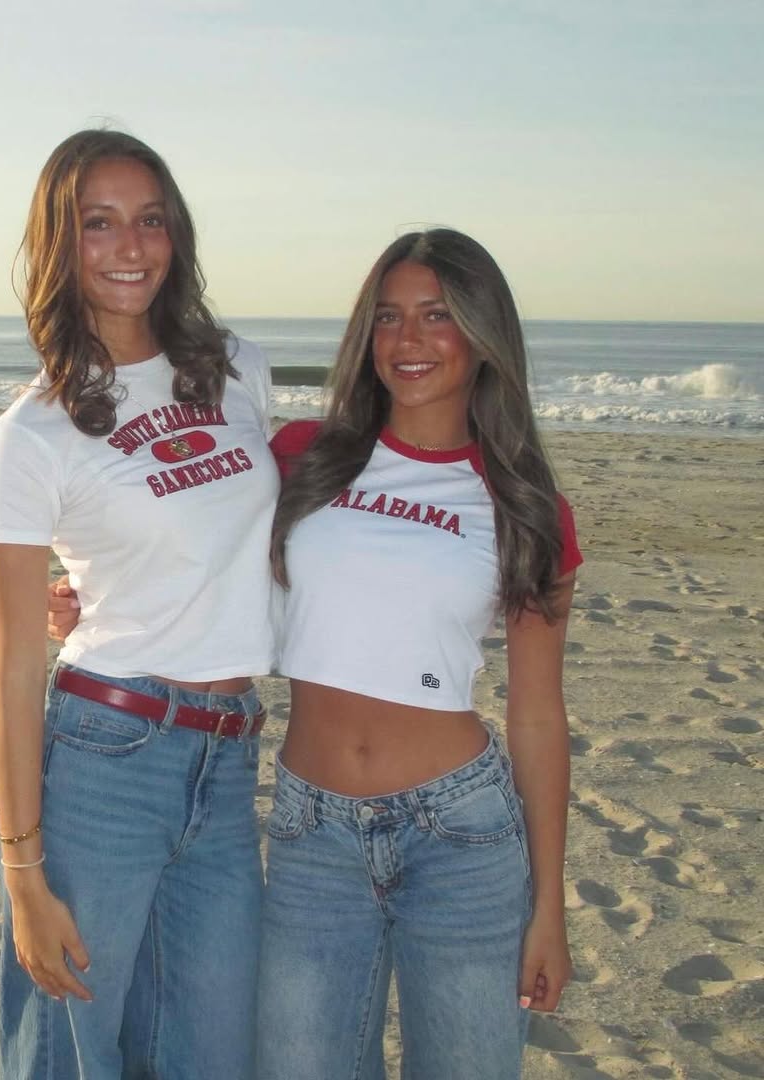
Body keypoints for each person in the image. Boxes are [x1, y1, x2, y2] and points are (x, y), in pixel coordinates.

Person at [0, 129, 278, 1080]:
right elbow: (15, 671)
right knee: (69, 1054)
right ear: (60, 244)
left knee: (211, 1053)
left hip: (229, 758)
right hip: (107, 757)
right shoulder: (31, 433)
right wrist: (23, 879)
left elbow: (241, 541)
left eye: (150, 220)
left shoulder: (239, 368)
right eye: (98, 223)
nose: (131, 246)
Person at [257, 227, 581, 1079]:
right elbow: (192, 556)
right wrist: (85, 600)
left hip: (461, 835)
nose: (408, 339)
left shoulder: (525, 505)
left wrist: (549, 907)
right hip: (312, 833)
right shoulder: (304, 457)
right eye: (389, 316)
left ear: (482, 332)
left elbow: (538, 715)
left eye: (437, 315)